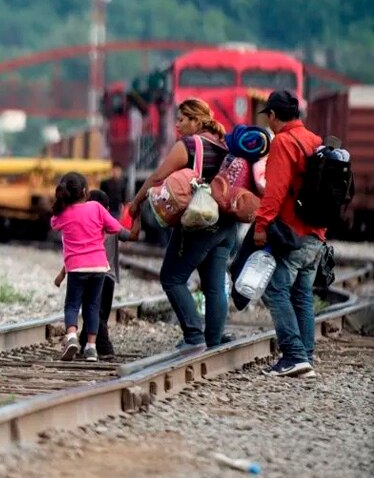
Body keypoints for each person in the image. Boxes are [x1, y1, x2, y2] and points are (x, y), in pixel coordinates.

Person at [127, 99, 236, 350]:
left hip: (200, 222)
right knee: (213, 284)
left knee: (172, 277)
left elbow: (157, 177)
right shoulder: (225, 145)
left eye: (181, 120)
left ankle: (193, 336)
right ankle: (214, 338)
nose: (177, 125)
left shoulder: (189, 145)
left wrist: (135, 203)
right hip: (227, 226)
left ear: (196, 121)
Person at [253, 90, 325, 378]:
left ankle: (294, 355)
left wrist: (261, 226)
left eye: (268, 116)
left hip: (292, 232)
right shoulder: (314, 140)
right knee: (302, 294)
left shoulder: (284, 142)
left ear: (273, 115)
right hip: (316, 233)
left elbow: (275, 191)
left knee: (275, 290)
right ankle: (305, 356)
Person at [51, 174, 137, 362]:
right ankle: (91, 348)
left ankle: (72, 336)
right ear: (84, 191)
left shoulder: (64, 213)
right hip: (99, 267)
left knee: (73, 304)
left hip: (76, 268)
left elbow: (54, 223)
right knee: (92, 306)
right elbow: (115, 227)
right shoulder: (97, 208)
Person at [77, 189, 138, 358]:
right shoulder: (112, 225)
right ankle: (85, 342)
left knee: (94, 311)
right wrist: (137, 216)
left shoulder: (84, 225)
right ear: (108, 208)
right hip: (108, 277)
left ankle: (104, 347)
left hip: (89, 274)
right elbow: (133, 236)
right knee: (99, 311)